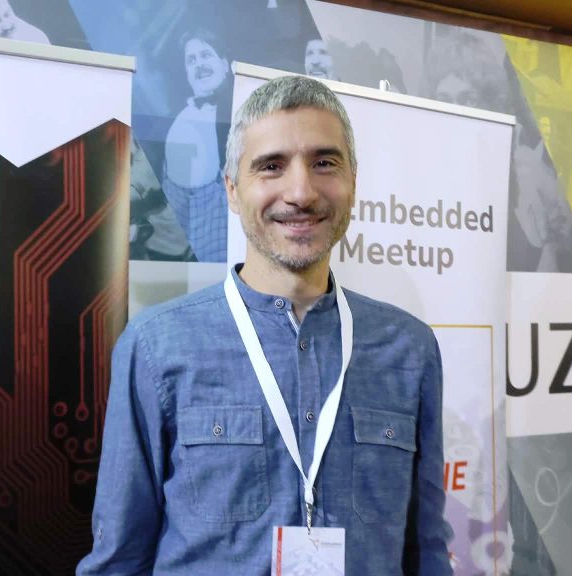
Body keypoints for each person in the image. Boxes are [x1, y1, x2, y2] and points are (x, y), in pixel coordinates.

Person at [78, 75, 450, 575]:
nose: (300, 192)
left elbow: (427, 553)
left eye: (324, 163)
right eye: (271, 166)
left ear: (353, 183)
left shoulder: (409, 349)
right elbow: (119, 559)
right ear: (232, 191)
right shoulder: (155, 347)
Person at [161, 29, 232, 262]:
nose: (199, 64)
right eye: (191, 60)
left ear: (224, 64)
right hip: (208, 249)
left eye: (206, 55)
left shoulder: (250, 111)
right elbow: (176, 204)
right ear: (187, 74)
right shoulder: (180, 125)